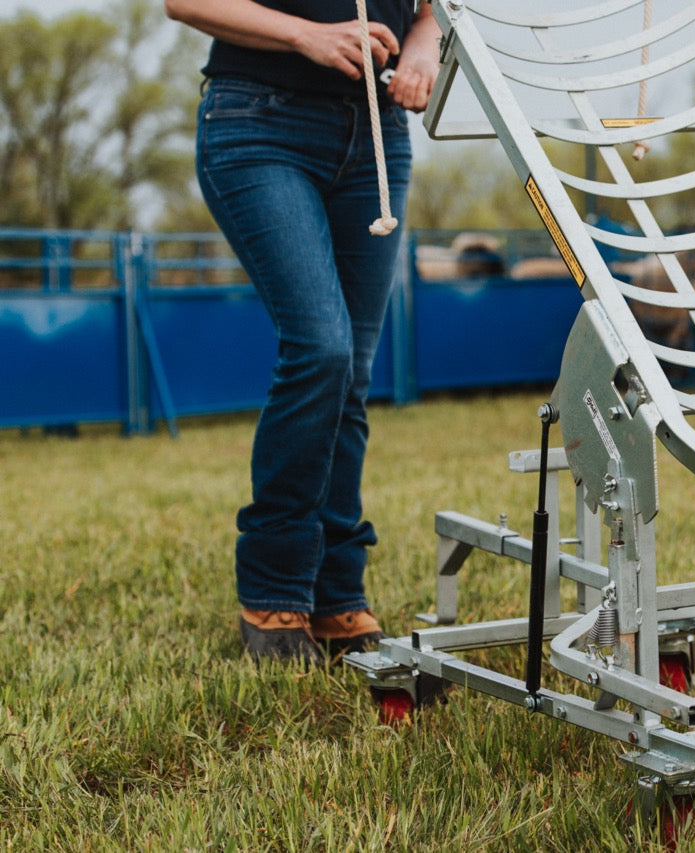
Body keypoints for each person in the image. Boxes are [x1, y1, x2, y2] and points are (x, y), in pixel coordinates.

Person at [164, 0, 442, 663]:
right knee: (322, 348)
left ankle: (336, 590)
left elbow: (433, 11)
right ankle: (273, 585)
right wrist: (306, 35)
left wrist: (424, 45)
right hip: (259, 120)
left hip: (377, 136)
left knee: (352, 374)